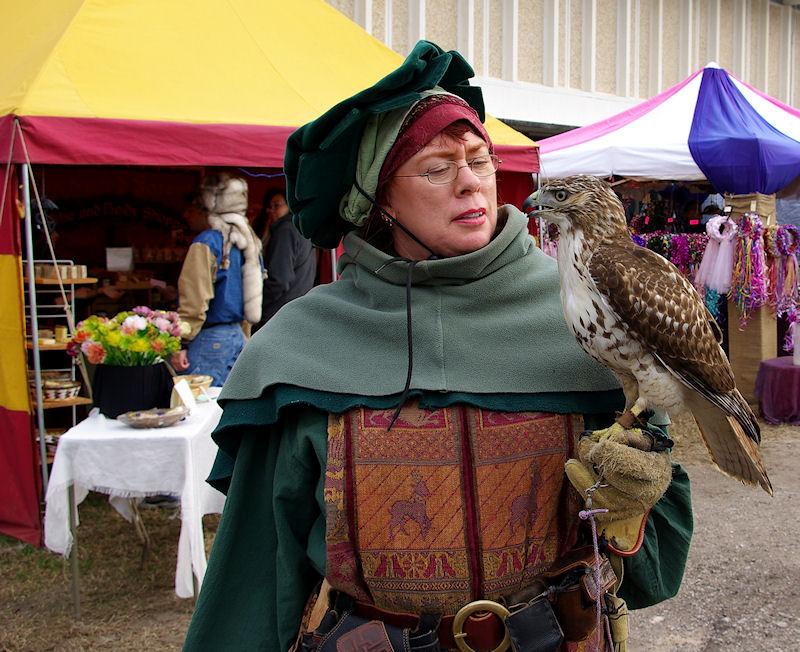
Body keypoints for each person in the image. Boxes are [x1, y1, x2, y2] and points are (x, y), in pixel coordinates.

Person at [184, 42, 692, 652]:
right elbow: (256, 568)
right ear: (379, 198)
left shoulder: (585, 312)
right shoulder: (302, 345)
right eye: (435, 168)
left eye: (479, 160)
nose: (469, 184)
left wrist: (631, 506)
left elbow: (654, 559)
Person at [171, 174, 263, 387]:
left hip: (210, 340)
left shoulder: (207, 242)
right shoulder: (249, 241)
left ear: (206, 208)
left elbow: (195, 297)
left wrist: (182, 340)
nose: (186, 215)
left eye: (191, 209)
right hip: (237, 336)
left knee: (203, 411)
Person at [254, 187, 317, 330]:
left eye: (277, 205)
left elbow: (280, 280)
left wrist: (258, 305)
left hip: (278, 313)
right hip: (295, 309)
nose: (271, 210)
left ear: (289, 205)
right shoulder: (300, 228)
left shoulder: (285, 231)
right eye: (269, 207)